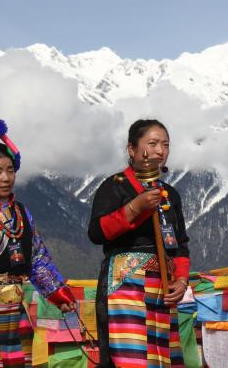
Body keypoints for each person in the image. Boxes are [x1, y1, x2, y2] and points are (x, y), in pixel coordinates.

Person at [88, 119, 190, 368]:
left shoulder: (170, 194)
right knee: (130, 358)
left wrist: (181, 280)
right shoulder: (115, 186)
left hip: (162, 286)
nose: (160, 151)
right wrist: (135, 208)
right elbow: (97, 232)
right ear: (132, 149)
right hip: (126, 286)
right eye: (152, 143)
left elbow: (180, 243)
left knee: (162, 356)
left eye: (165, 145)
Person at [0, 119, 75, 367]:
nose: (5, 178)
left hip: (15, 310)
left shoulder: (20, 213)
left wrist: (59, 294)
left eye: (10, 170)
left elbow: (37, 259)